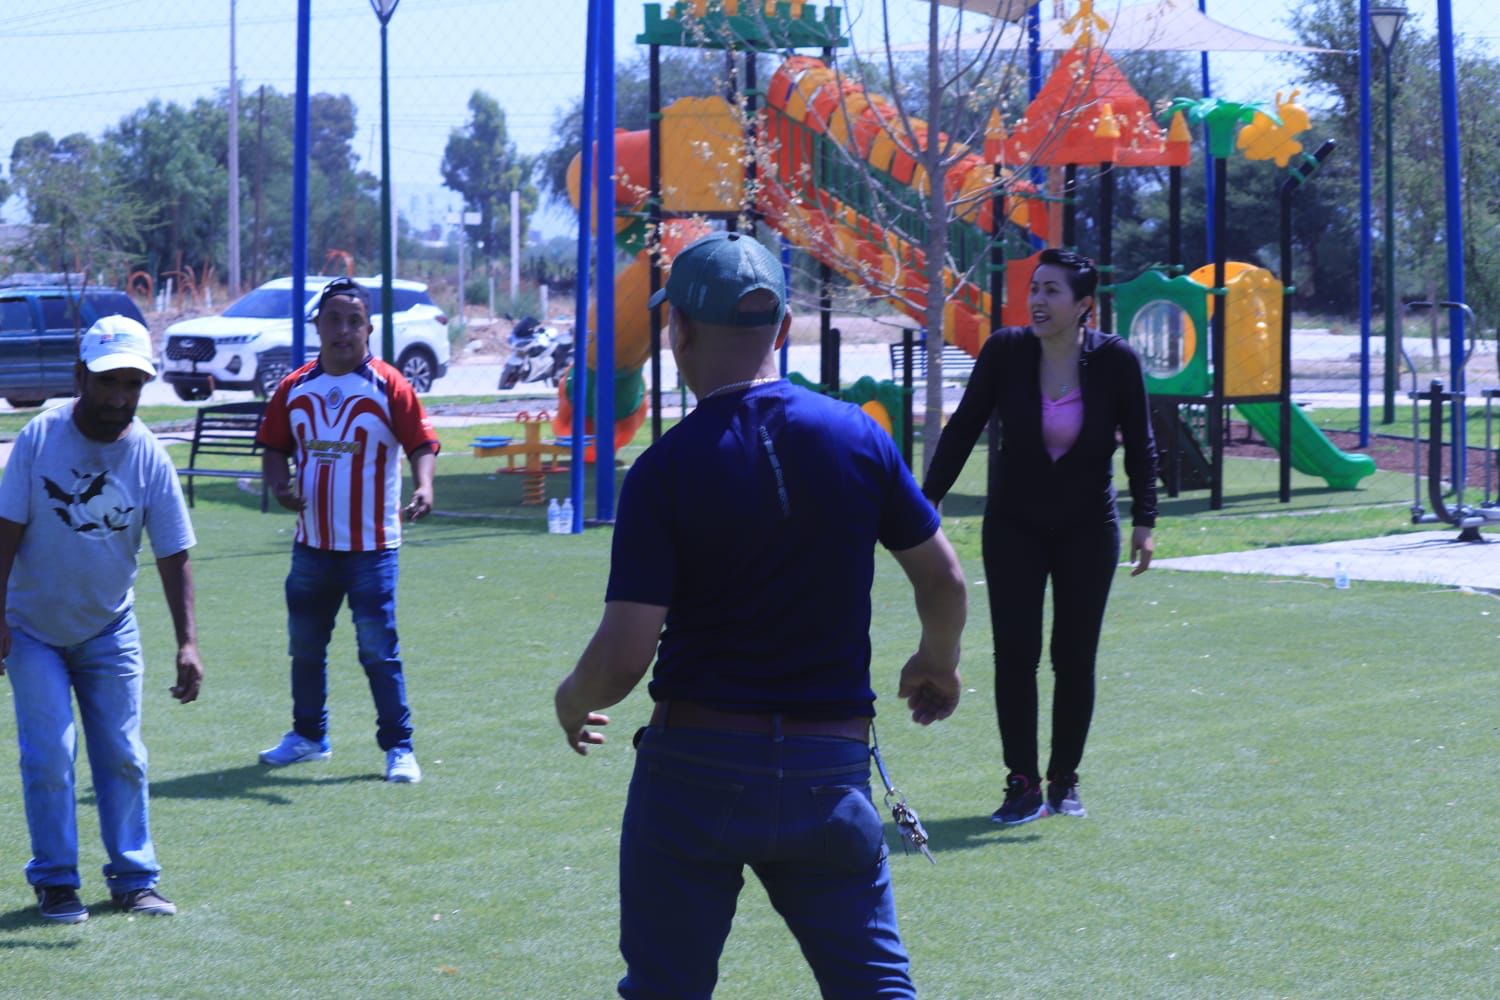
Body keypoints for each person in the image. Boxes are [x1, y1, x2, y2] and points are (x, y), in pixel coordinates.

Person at [553, 230, 968, 999]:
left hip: (695, 768)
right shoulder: (859, 437)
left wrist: (573, 699)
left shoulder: (664, 470)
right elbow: (944, 579)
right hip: (828, 770)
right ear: (783, 328)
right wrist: (936, 662)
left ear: (677, 329)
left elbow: (623, 657)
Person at [922, 248, 1157, 826]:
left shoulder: (1116, 361)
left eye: (1053, 290)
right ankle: (1022, 783)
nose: (1038, 300)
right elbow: (964, 427)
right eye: (1035, 288)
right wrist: (925, 499)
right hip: (1014, 526)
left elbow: (1142, 443)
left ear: (1083, 305)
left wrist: (1146, 520)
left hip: (1088, 529)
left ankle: (1064, 780)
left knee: (1074, 658)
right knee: (1016, 656)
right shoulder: (1006, 351)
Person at [0, 315, 202, 923]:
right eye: (109, 381)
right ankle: (56, 880)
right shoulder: (40, 437)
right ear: (80, 375)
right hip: (32, 629)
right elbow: (5, 532)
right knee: (49, 755)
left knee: (123, 755)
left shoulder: (148, 454)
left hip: (110, 629)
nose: (119, 397)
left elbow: (173, 551)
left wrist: (188, 643)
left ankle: (134, 879)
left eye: (132, 384)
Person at [255, 277, 438, 783]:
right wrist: (279, 485)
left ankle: (399, 746)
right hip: (311, 547)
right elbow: (273, 447)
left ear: (369, 328)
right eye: (333, 319)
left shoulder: (390, 385)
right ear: (317, 326)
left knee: (378, 650)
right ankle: (308, 736)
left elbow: (421, 443)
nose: (343, 330)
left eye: (354, 321)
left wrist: (425, 486)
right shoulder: (294, 387)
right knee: (305, 646)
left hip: (372, 549)